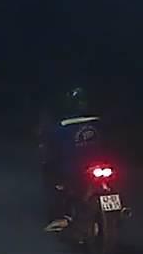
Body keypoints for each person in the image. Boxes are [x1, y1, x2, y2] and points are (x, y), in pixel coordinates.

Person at [38, 87, 103, 232]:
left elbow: (51, 147)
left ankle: (60, 216)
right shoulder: (99, 123)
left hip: (73, 168)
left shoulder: (63, 126)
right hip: (98, 165)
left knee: (55, 182)